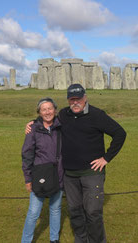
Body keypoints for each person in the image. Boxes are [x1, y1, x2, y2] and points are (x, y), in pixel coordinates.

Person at [26, 84, 127, 242]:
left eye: (78, 99)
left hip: (92, 173)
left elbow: (120, 133)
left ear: (85, 98)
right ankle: (80, 239)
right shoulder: (64, 115)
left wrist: (106, 158)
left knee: (93, 212)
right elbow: (47, 118)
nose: (75, 102)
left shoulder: (97, 115)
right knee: (75, 210)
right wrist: (33, 122)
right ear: (68, 100)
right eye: (72, 99)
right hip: (70, 175)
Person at [21, 97, 63, 243]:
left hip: (58, 174)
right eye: (44, 109)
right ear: (39, 112)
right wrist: (28, 178)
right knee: (33, 212)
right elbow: (26, 155)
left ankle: (54, 239)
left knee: (55, 209)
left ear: (55, 110)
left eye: (50, 108)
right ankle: (26, 240)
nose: (47, 112)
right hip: (39, 175)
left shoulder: (61, 126)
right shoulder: (33, 128)